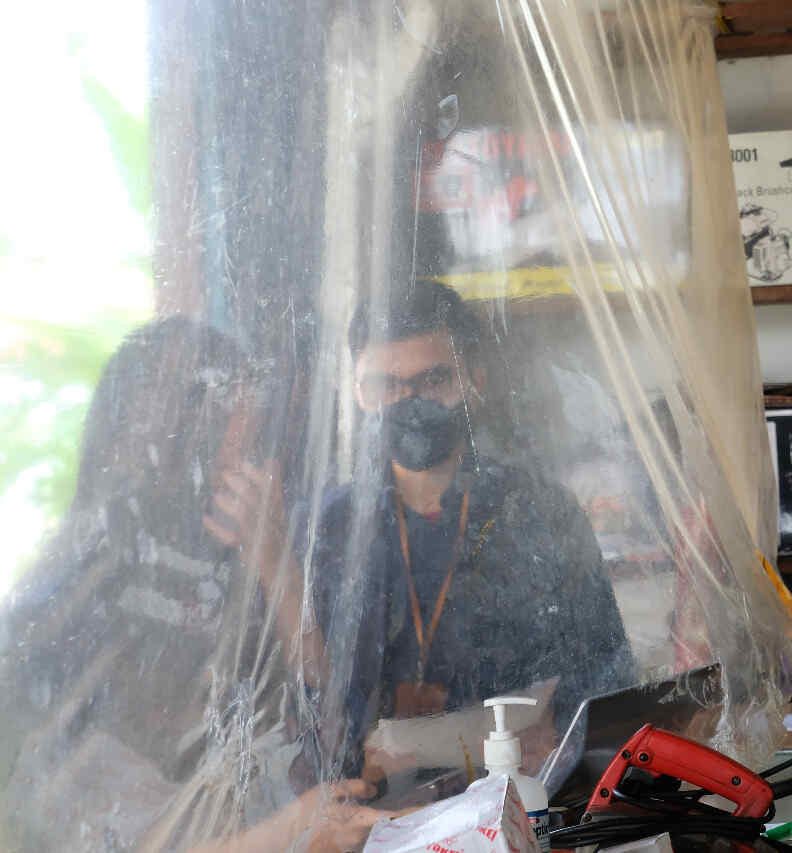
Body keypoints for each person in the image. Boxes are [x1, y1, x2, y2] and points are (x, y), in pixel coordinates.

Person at [0, 317, 391, 852]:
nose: (261, 459)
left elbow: (333, 726)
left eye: (261, 434)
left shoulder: (282, 543)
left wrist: (275, 562)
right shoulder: (101, 559)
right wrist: (284, 832)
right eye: (239, 430)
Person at [306, 281, 634, 781]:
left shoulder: (539, 510)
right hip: (376, 801)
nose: (409, 403)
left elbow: (603, 678)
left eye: (434, 380)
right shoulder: (334, 526)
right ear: (356, 393)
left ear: (473, 381)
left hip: (524, 793)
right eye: (385, 386)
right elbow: (316, 702)